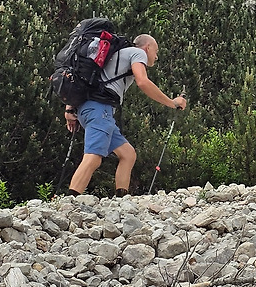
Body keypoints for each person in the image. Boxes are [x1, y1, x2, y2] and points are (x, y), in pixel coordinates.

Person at [63, 34, 186, 196]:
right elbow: (142, 81)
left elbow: (87, 80)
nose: (156, 57)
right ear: (147, 47)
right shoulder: (138, 53)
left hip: (91, 109)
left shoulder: (115, 54)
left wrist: (69, 109)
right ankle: (70, 201)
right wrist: (172, 103)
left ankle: (121, 199)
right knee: (93, 157)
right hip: (100, 109)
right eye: (156, 52)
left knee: (128, 154)